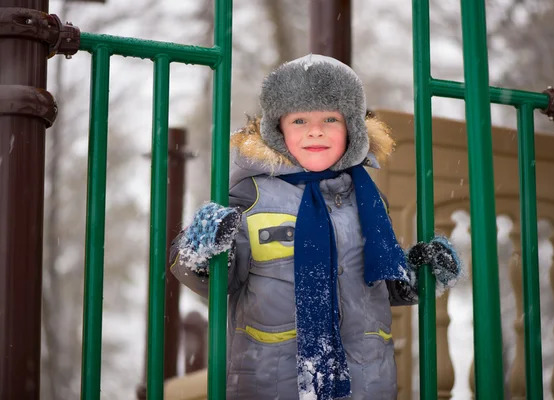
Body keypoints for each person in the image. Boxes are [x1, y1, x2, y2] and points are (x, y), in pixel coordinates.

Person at [170, 54, 462, 400]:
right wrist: (202, 250)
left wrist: (419, 275)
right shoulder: (250, 195)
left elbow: (379, 283)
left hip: (366, 382)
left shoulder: (367, 198)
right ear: (277, 129)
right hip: (273, 382)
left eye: (330, 118)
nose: (315, 130)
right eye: (299, 120)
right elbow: (217, 280)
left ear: (351, 126)